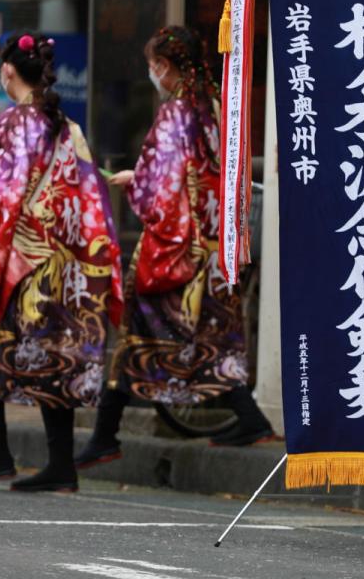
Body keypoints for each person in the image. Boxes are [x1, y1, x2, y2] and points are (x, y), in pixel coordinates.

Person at [75, 24, 274, 469]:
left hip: (176, 250)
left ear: (164, 66)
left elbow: (161, 189)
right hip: (213, 246)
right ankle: (250, 418)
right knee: (211, 338)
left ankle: (104, 436)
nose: (152, 73)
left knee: (137, 340)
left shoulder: (174, 115)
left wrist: (135, 181)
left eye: (152, 65)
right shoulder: (214, 108)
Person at [0, 33, 123, 493]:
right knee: (53, 351)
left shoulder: (15, 123)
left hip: (23, 261)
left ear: (7, 71)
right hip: (65, 261)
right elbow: (88, 191)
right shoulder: (65, 125)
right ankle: (61, 466)